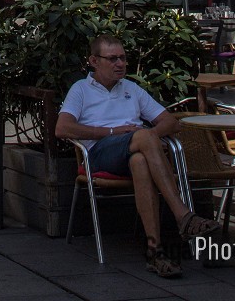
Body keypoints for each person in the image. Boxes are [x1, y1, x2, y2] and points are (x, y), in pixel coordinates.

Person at [55, 33, 221, 280]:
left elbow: (169, 122)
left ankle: (155, 251)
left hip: (132, 151)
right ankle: (183, 216)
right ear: (93, 60)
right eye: (112, 59)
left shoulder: (131, 89)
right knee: (143, 138)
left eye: (122, 58)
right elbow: (62, 128)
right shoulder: (81, 89)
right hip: (100, 153)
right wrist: (112, 132)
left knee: (140, 160)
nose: (119, 64)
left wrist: (148, 138)